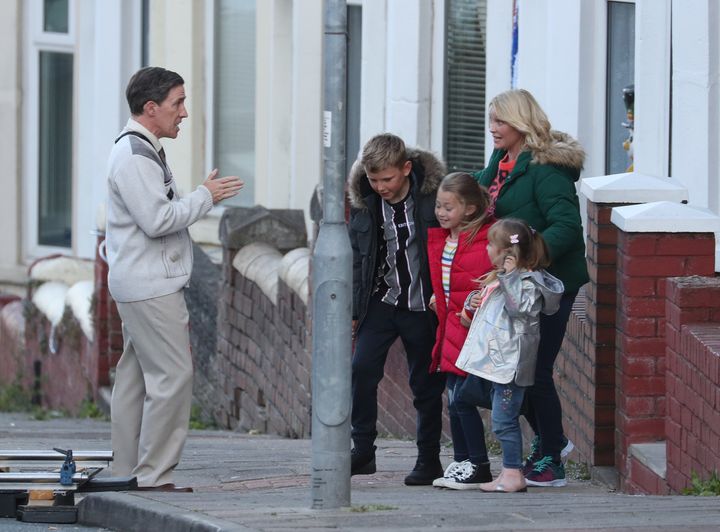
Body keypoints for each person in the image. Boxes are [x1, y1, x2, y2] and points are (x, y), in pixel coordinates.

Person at [105, 66, 243, 491]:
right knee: (173, 376)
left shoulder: (139, 149)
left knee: (135, 377)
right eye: (177, 103)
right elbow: (157, 219)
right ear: (151, 108)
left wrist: (197, 196)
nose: (183, 113)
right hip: (151, 286)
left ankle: (126, 470)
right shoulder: (135, 156)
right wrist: (205, 196)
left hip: (140, 281)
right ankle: (153, 475)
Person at [473, 89, 588, 487]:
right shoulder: (501, 161)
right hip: (517, 285)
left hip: (549, 284)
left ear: (521, 123)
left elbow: (567, 226)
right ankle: (552, 441)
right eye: (491, 120)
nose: (492, 129)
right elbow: (484, 204)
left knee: (535, 371)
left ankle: (552, 457)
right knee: (513, 371)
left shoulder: (544, 168)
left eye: (500, 121)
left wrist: (528, 258)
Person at [347, 133, 447, 485]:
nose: (380, 187)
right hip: (383, 301)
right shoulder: (366, 202)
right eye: (373, 180)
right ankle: (362, 451)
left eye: (387, 179)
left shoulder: (432, 199)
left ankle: (429, 458)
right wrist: (355, 309)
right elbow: (358, 258)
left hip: (423, 305)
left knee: (425, 382)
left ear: (406, 169)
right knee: (361, 370)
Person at [455, 218, 564, 493]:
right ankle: (511, 468)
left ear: (508, 253)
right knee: (464, 398)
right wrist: (472, 302)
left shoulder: (526, 282)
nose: (487, 248)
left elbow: (522, 311)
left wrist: (510, 277)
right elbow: (486, 315)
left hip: (509, 365)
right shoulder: (501, 279)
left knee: (503, 421)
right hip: (490, 362)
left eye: (491, 244)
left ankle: (512, 473)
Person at [425, 173, 495, 489]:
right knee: (453, 399)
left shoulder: (487, 238)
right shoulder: (447, 238)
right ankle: (464, 459)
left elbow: (492, 275)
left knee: (462, 399)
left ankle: (478, 463)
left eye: (448, 207)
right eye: (439, 206)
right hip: (451, 328)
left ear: (468, 209)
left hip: (472, 331)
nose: (441, 213)